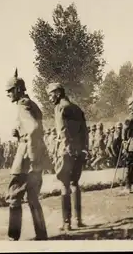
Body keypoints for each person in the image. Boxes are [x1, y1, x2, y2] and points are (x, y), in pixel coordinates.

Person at [5, 69, 48, 241]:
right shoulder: (31, 103)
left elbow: (33, 129)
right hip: (36, 153)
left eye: (10, 90)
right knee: (32, 197)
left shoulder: (22, 105)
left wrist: (30, 155)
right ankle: (41, 234)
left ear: (18, 89)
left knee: (14, 195)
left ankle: (13, 237)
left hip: (26, 155)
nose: (7, 93)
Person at [47, 82, 88, 232]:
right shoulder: (77, 108)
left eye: (51, 94)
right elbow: (85, 131)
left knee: (64, 185)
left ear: (58, 93)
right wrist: (84, 149)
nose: (50, 98)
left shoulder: (59, 108)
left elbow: (62, 130)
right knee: (75, 183)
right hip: (79, 150)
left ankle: (66, 223)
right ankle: (78, 220)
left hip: (66, 151)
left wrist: (66, 147)